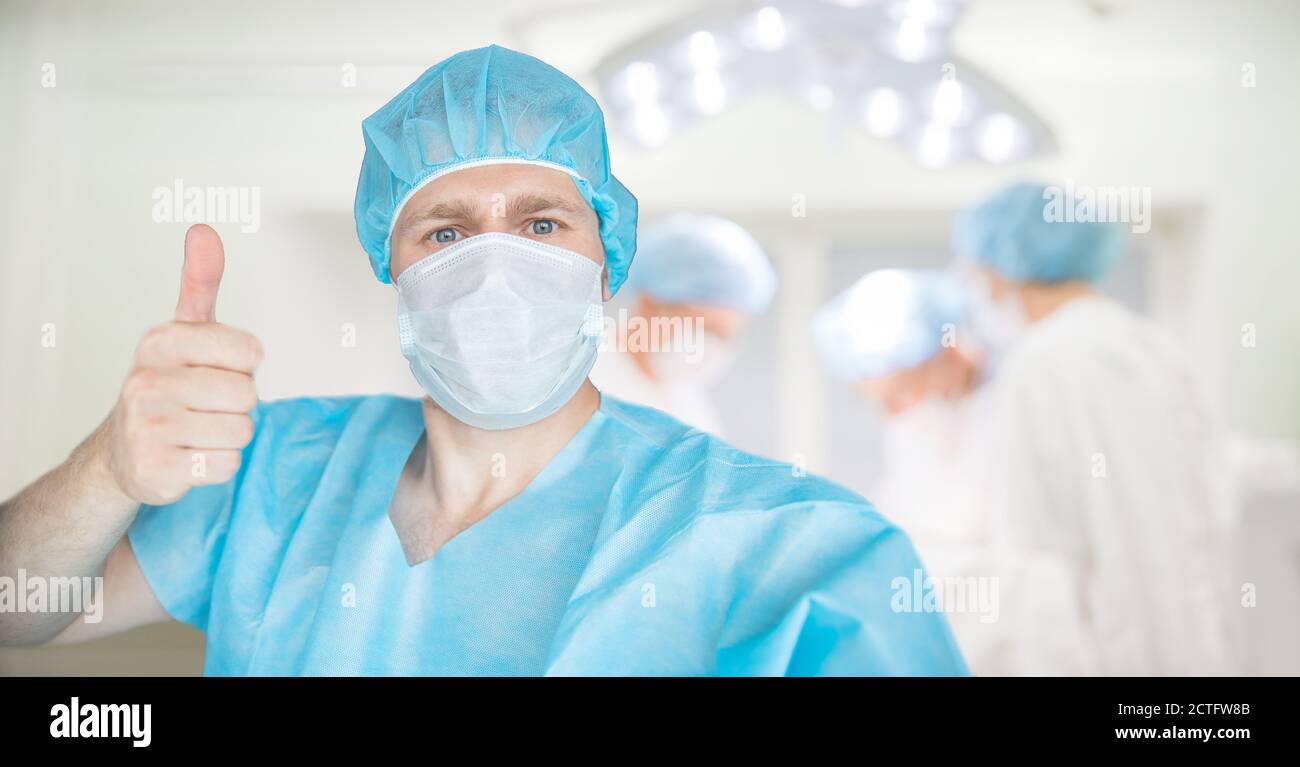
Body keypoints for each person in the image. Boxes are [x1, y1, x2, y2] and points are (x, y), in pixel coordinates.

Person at [0, 46, 967, 676]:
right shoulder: (279, 472)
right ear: (392, 264)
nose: (496, 267)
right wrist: (109, 468)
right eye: (447, 232)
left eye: (542, 225)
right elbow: (18, 612)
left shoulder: (784, 547)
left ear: (607, 265)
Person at [951, 181, 1236, 675]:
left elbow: (1036, 552)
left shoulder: (1038, 364)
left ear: (1001, 266)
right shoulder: (1154, 349)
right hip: (1199, 650)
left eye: (976, 269)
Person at [814, 269, 1000, 663]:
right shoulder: (920, 414)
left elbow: (969, 528)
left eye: (901, 392)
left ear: (943, 352)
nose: (898, 410)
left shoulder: (1008, 408)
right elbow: (908, 509)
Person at [590, 213, 775, 436]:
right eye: (708, 328)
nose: (713, 346)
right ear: (651, 304)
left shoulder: (690, 406)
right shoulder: (581, 387)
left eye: (726, 336)